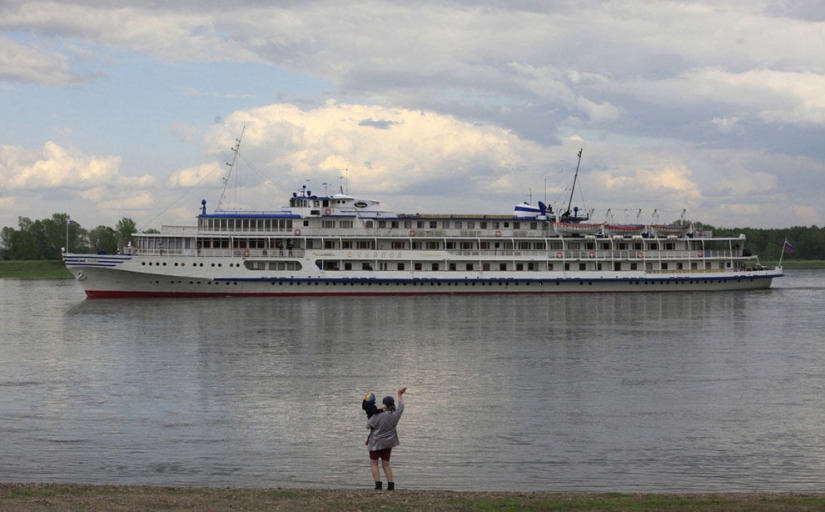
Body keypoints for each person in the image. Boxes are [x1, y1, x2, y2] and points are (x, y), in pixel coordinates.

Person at [366, 386, 407, 490]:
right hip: (388, 443)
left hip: (376, 443)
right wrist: (400, 394)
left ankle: (378, 485)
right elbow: (401, 407)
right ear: (392, 404)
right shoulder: (396, 414)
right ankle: (390, 485)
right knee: (386, 464)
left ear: (384, 405)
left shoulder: (378, 415)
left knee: (374, 464)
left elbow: (368, 425)